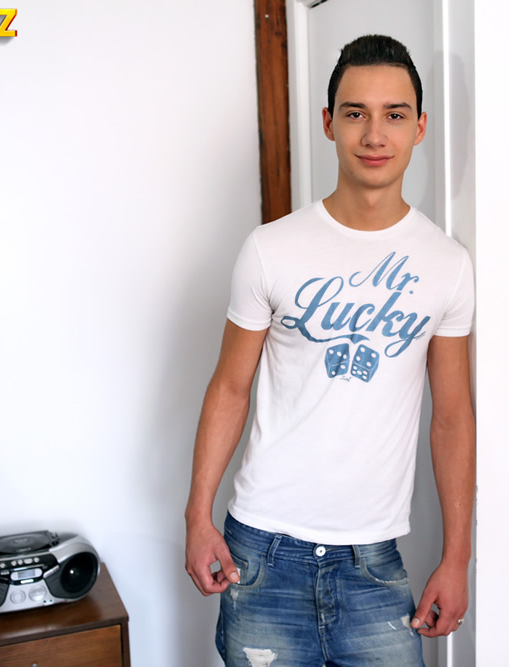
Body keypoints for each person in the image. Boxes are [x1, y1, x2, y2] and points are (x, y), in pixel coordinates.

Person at [184, 34, 475, 666]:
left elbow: (453, 417)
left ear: (419, 127)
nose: (374, 134)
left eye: (394, 114)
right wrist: (197, 517)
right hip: (262, 553)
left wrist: (457, 558)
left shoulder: (447, 266)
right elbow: (229, 387)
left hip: (373, 561)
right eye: (355, 113)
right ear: (328, 122)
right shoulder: (271, 249)